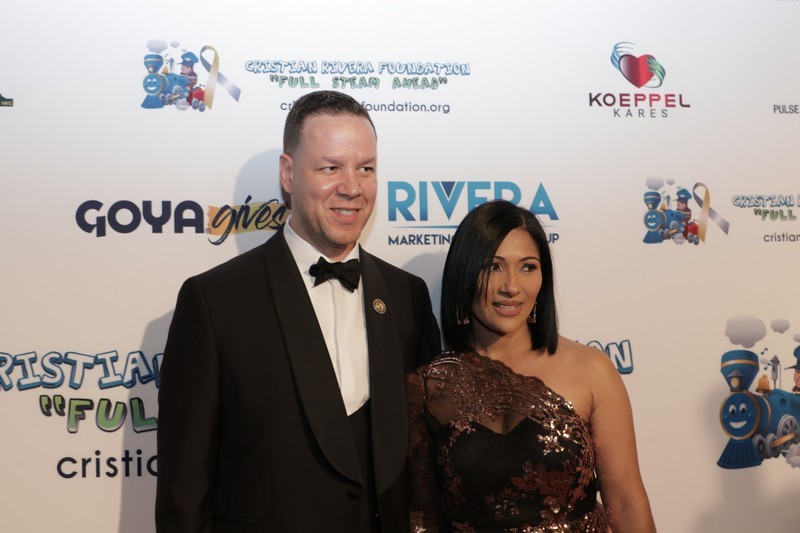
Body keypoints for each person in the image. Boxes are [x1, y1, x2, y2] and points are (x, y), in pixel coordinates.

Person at [156, 90, 441, 532]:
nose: (352, 187)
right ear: (288, 174)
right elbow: (184, 488)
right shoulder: (214, 302)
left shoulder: (408, 297)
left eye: (365, 168)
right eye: (330, 168)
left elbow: (427, 463)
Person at [407, 200, 655, 532]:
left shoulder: (591, 370)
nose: (511, 287)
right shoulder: (430, 386)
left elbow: (626, 503)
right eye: (493, 266)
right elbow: (423, 517)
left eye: (527, 267)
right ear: (464, 274)